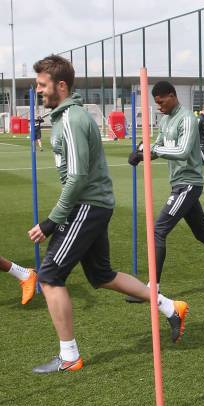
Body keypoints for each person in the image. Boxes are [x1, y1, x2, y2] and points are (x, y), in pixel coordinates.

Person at [29, 55, 188, 374]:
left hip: (85, 205)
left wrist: (52, 220)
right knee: (101, 275)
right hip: (92, 204)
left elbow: (76, 177)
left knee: (49, 277)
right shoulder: (64, 117)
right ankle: (171, 307)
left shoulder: (72, 119)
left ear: (61, 85)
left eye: (42, 85)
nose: (38, 91)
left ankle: (69, 356)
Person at [129, 81, 204, 291]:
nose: (159, 106)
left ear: (171, 95)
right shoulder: (166, 121)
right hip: (179, 184)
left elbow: (183, 151)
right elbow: (157, 147)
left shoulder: (187, 119)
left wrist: (153, 151)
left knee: (158, 230)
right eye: (156, 103)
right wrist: (142, 154)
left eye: (161, 102)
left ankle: (152, 289)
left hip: (188, 184)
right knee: (202, 233)